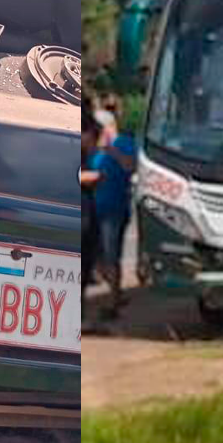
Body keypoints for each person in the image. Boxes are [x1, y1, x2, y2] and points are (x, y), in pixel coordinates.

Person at [81, 109, 138, 315]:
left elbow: (131, 166)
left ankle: (114, 299)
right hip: (93, 209)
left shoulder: (123, 143)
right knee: (96, 258)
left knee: (111, 255)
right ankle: (114, 294)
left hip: (113, 210)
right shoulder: (94, 147)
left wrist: (111, 150)